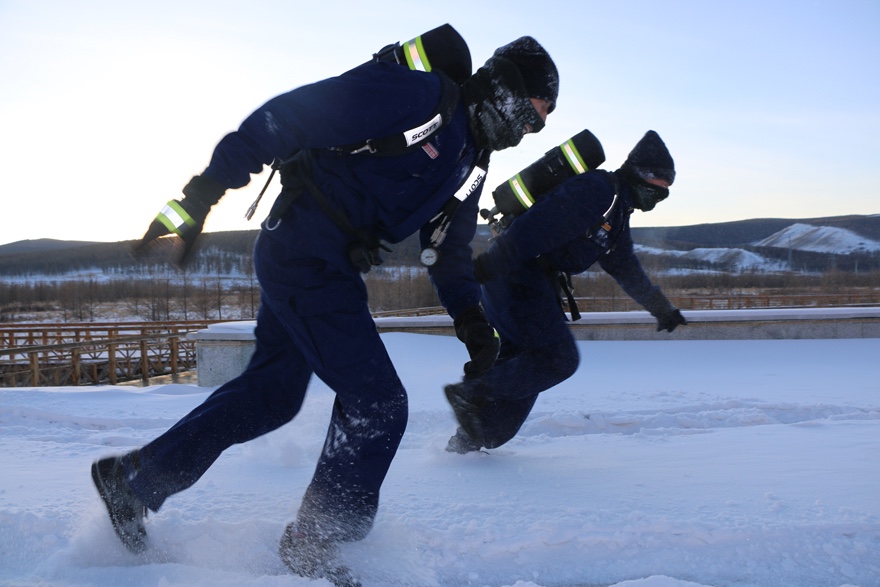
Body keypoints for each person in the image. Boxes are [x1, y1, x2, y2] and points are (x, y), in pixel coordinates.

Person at [90, 29, 558, 587]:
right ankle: (313, 543)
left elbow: (448, 249)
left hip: (326, 265)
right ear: (507, 90)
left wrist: (472, 321)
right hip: (303, 253)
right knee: (379, 403)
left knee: (270, 398)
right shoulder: (425, 98)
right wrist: (204, 190)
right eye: (534, 113)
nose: (536, 128)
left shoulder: (472, 161)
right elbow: (292, 115)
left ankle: (134, 480)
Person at [444, 130, 687, 454]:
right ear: (644, 176)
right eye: (661, 187)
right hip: (516, 275)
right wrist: (491, 263)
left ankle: (468, 442)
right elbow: (534, 227)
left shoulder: (616, 214)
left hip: (527, 282)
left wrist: (660, 307)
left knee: (521, 385)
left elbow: (626, 267)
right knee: (560, 359)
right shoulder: (598, 191)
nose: (661, 196)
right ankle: (472, 391)